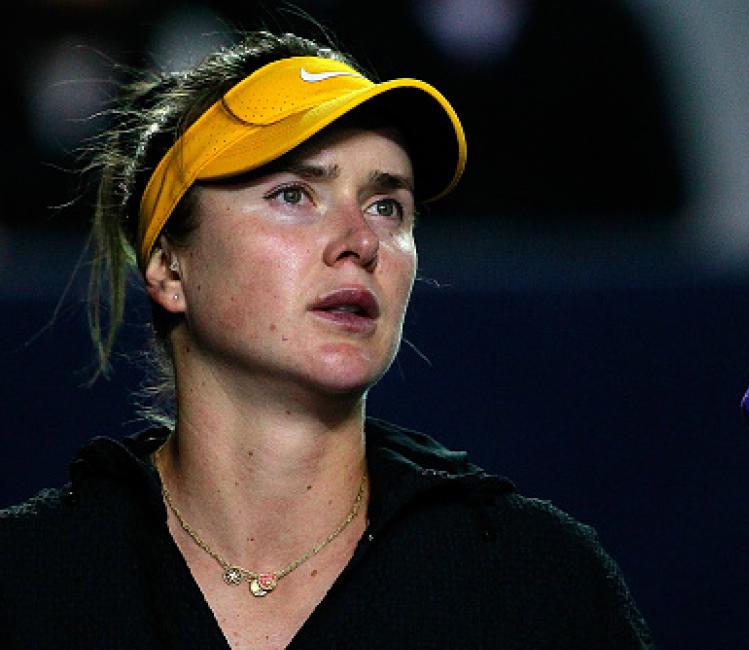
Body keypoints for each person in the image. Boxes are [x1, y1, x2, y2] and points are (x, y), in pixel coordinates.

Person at [0, 30, 654, 649]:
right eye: (292, 194)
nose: (361, 242)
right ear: (170, 269)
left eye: (385, 206)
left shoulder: (533, 583)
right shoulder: (32, 581)